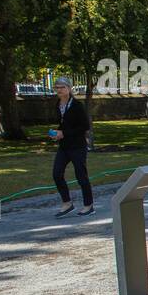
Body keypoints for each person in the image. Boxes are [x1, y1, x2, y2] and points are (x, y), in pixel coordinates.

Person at [50, 77, 94, 217]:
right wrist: (57, 133)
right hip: (64, 146)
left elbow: (85, 127)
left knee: (81, 176)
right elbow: (63, 125)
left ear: (69, 89)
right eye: (57, 87)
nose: (59, 90)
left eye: (62, 87)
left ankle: (89, 205)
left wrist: (64, 133)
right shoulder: (58, 105)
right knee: (57, 174)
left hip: (77, 146)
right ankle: (67, 203)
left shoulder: (77, 105)